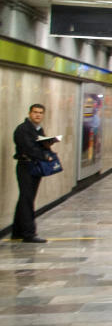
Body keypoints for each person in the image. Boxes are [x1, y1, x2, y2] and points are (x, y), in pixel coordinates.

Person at [11, 103, 58, 243]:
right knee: (26, 199)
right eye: (35, 112)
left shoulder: (38, 129)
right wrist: (45, 156)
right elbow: (29, 148)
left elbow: (38, 145)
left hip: (34, 166)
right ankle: (29, 233)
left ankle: (18, 231)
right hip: (26, 166)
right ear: (29, 113)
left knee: (26, 199)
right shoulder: (23, 129)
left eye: (40, 113)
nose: (38, 115)